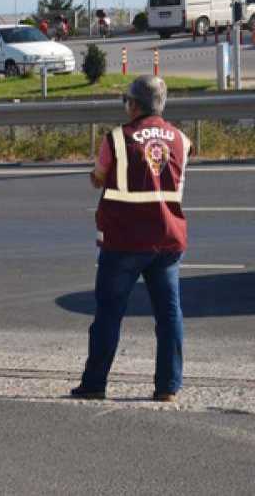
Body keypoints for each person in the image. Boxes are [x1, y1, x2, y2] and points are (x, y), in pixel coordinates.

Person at [72, 76, 191, 403]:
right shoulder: (181, 139)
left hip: (123, 241)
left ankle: (95, 383)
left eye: (127, 101)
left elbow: (98, 178)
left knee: (108, 315)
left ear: (134, 104)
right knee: (169, 315)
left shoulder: (116, 139)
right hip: (166, 240)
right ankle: (168, 387)